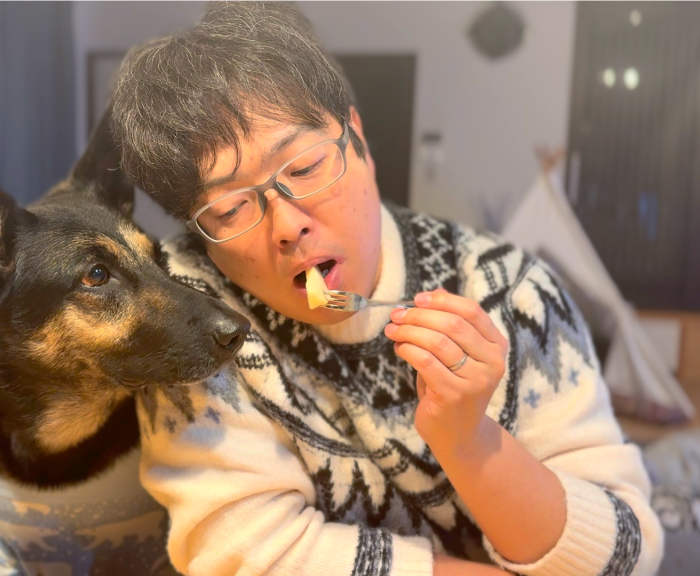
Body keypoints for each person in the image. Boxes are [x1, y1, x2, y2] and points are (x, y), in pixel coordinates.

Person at [112, 1, 663, 574]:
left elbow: (624, 557)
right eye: (229, 209)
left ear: (358, 140)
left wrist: (469, 441)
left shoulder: (513, 291)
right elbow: (247, 551)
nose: (288, 225)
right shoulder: (191, 319)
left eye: (304, 168)